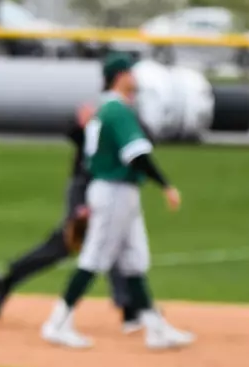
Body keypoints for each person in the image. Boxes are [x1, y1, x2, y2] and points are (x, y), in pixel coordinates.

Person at [40, 54, 192, 351]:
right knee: (94, 258)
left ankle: (155, 328)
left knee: (134, 260)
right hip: (114, 191)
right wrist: (165, 185)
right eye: (129, 72)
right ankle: (57, 323)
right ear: (119, 76)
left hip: (117, 190)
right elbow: (136, 154)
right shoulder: (116, 110)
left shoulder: (105, 108)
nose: (134, 77)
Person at [0, 63, 134, 323]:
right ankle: (7, 280)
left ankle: (130, 305)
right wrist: (82, 124)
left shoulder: (122, 109)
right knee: (66, 245)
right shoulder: (103, 107)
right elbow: (73, 132)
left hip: (107, 188)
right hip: (85, 187)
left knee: (115, 240)